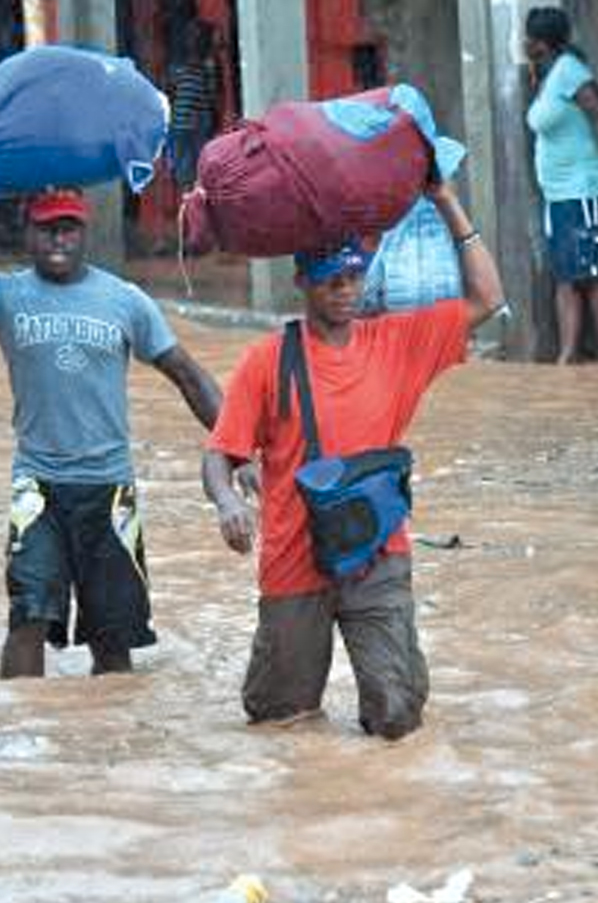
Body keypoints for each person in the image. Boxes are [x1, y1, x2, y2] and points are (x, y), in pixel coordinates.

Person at [202, 180, 506, 741]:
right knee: (278, 720)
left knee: (396, 719)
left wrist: (446, 202)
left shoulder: (399, 343)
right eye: (330, 281)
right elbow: (221, 454)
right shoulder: (267, 360)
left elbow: (488, 299)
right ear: (302, 284)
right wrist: (226, 503)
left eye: (353, 278)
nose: (345, 292)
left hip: (378, 554)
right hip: (294, 561)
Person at [0, 185, 229, 679]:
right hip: (37, 488)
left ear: (85, 232)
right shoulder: (3, 295)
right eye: (46, 228)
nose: (58, 238)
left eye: (68, 227)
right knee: (28, 620)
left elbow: (187, 374)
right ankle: (26, 738)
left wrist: (239, 446)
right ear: (28, 233)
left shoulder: (126, 300)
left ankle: (107, 741)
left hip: (109, 490)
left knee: (113, 639)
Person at [523, 6, 598, 364]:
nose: (525, 44)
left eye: (529, 38)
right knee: (566, 276)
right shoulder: (547, 74)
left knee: (595, 274)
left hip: (584, 189)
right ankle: (569, 355)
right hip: (558, 194)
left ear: (540, 43)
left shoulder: (570, 72)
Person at [168, 20, 220, 190]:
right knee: (184, 165)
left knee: (199, 163)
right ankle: (187, 195)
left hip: (198, 123)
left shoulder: (207, 66)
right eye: (191, 37)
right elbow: (170, 91)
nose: (193, 41)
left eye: (197, 37)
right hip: (181, 123)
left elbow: (211, 94)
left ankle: (195, 195)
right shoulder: (178, 66)